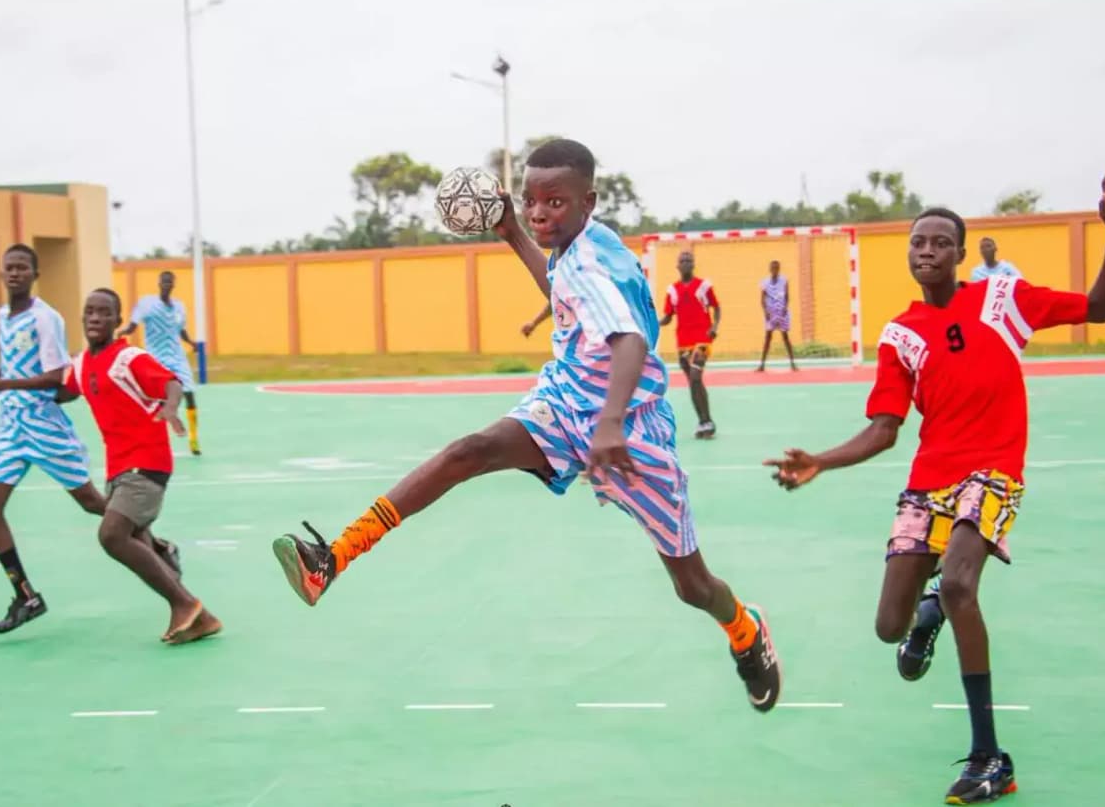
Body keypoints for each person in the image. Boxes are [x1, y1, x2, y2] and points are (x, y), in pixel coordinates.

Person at [271, 138, 781, 712]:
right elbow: (564, 291)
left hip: (632, 431)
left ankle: (743, 629)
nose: (540, 212)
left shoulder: (593, 261)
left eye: (554, 202)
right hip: (565, 403)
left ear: (587, 200)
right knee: (469, 451)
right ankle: (334, 558)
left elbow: (631, 339)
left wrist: (611, 422)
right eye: (530, 200)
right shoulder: (583, 242)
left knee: (693, 587)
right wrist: (513, 233)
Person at [762, 174, 1105, 803]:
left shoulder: (1003, 299)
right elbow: (884, 430)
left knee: (958, 585)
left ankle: (989, 757)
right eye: (917, 243)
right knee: (888, 626)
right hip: (931, 480)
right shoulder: (902, 335)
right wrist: (822, 460)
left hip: (995, 469)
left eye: (938, 242)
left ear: (960, 251)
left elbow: (1098, 308)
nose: (925, 251)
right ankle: (926, 613)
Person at [0, 245, 179, 635]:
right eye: (9, 268)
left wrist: (0, 383)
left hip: (45, 427)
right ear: (2, 274)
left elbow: (57, 375)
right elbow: (18, 363)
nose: (15, 273)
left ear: (36, 274)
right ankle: (25, 595)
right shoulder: (4, 315)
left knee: (94, 503)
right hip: (11, 427)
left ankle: (155, 546)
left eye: (23, 267)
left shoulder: (45, 319)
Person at [0, 288, 221, 644]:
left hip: (148, 464)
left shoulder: (129, 358)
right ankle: (173, 573)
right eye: (89, 312)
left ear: (118, 321)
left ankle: (187, 607)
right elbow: (53, 381)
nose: (95, 318)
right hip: (119, 470)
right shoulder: (82, 365)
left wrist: (170, 406)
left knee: (112, 535)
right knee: (126, 532)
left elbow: (171, 382)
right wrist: (3, 384)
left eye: (104, 313)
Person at [118, 271, 202, 455]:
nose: (166, 284)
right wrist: (121, 333)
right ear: (159, 283)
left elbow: (181, 330)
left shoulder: (179, 307)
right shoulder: (147, 304)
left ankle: (194, 440)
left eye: (169, 282)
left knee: (189, 394)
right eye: (163, 281)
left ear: (173, 284)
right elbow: (133, 326)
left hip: (177, 356)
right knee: (155, 399)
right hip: (156, 357)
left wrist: (191, 343)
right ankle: (152, 440)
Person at [659, 251, 720, 438]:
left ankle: (707, 420)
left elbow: (716, 307)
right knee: (694, 383)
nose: (685, 264)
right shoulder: (672, 290)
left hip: (702, 339)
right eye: (682, 261)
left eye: (689, 261)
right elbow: (668, 317)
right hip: (683, 343)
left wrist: (714, 326)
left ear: (693, 264)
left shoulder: (704, 286)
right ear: (677, 266)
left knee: (695, 376)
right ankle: (704, 421)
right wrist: (653, 323)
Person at [757, 260, 797, 371]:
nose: (774, 270)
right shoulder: (764, 282)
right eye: (772, 268)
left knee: (785, 337)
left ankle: (792, 363)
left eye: (777, 268)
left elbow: (787, 296)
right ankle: (762, 364)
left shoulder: (784, 280)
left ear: (779, 269)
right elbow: (762, 299)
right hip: (771, 313)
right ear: (770, 269)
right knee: (768, 338)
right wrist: (765, 311)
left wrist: (785, 307)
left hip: (782, 312)